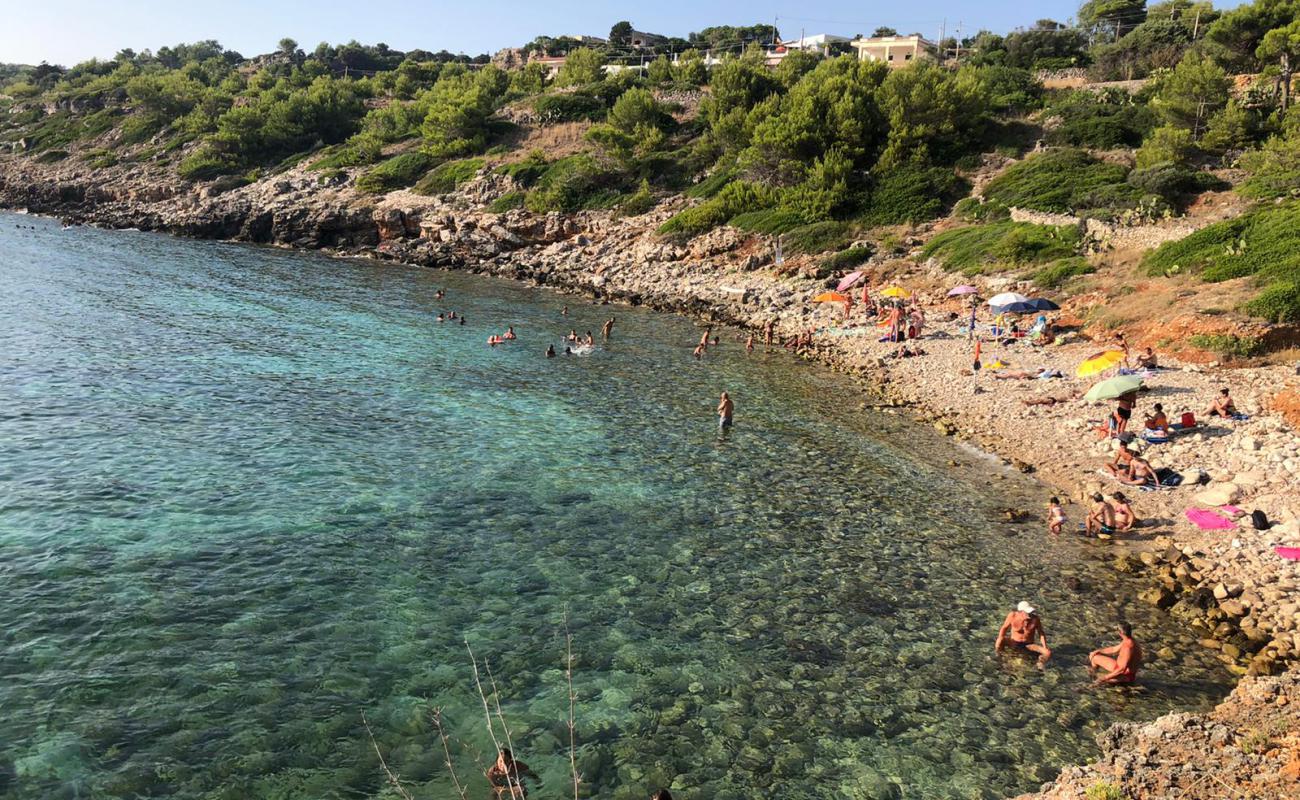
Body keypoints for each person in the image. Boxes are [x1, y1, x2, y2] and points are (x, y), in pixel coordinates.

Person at [995, 601, 1052, 668]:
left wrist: (1044, 646)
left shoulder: (1035, 619)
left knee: (1047, 652)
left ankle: (1039, 665)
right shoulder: (1013, 616)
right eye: (1028, 613)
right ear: (1021, 611)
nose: (1030, 614)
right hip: (1014, 642)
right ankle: (1000, 657)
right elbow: (1004, 628)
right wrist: (1000, 638)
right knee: (999, 640)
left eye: (1031, 612)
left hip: (1028, 645)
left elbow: (1041, 633)